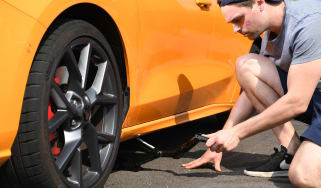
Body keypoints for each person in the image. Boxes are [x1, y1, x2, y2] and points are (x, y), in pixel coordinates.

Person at [182, 0, 321, 186]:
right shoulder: (271, 30)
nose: (235, 29)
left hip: (307, 97)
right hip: (315, 96)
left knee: (304, 175)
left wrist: (237, 134)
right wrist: (222, 137)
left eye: (238, 20)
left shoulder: (309, 23)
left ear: (259, 3)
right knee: (246, 66)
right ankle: (292, 151)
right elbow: (252, 91)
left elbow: (297, 101)